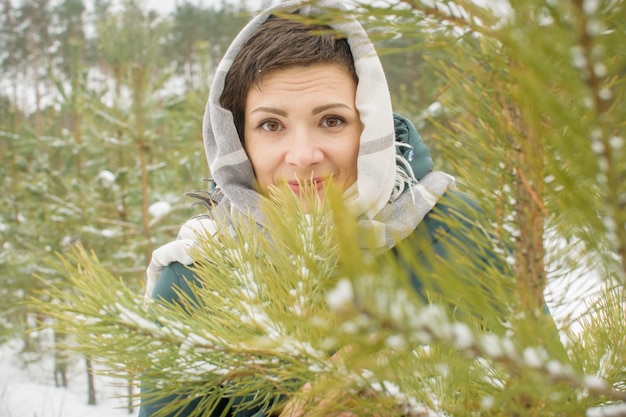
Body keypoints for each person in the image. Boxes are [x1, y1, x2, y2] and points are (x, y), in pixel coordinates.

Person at [139, 1, 489, 416]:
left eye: (331, 121)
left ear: (369, 123)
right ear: (238, 140)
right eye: (272, 125)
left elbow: (555, 398)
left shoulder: (456, 231)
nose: (303, 156)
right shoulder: (195, 280)